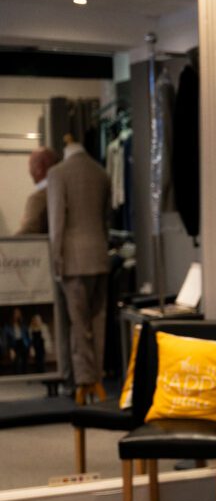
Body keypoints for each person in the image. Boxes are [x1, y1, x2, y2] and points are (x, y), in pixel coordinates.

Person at [46, 137, 112, 402]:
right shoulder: (101, 173)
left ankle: (84, 381)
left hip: (72, 261)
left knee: (78, 324)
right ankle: (97, 379)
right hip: (99, 256)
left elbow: (57, 222)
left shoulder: (57, 173)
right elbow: (106, 220)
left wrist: (56, 260)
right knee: (98, 321)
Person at [16, 147, 59, 235]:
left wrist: (7, 242)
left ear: (39, 168)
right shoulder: (64, 190)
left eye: (30, 166)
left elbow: (28, 232)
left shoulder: (39, 198)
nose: (29, 171)